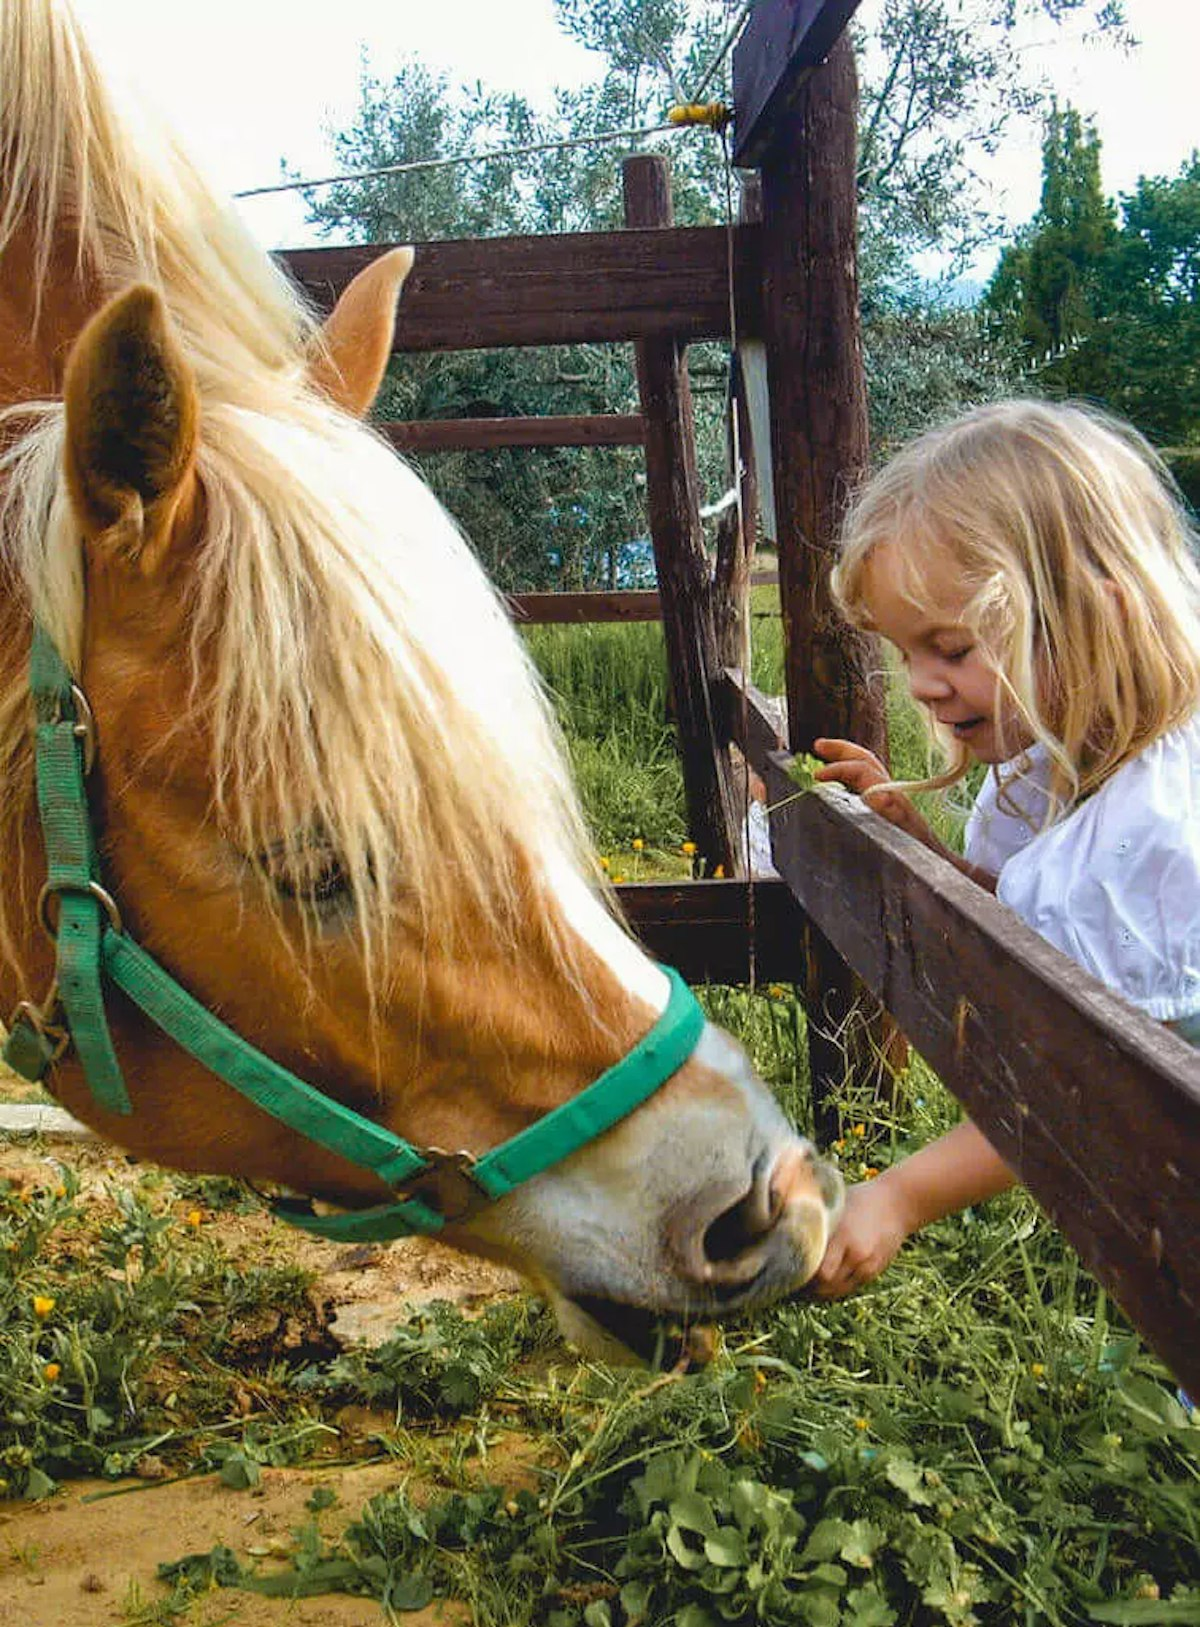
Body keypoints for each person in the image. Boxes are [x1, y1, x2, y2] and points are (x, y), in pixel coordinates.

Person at [807, 398, 1200, 1299]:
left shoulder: (1156, 825)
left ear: (1095, 614)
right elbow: (1036, 928)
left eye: (949, 646)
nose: (919, 685)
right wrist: (921, 844)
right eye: (906, 651)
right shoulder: (1056, 775)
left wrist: (900, 1194)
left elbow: (1092, 1085)